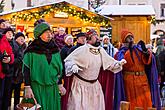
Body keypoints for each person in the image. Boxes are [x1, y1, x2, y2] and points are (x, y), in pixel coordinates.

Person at [64, 29, 126, 110]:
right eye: (95, 36)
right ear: (89, 38)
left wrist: (118, 63)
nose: (98, 38)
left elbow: (109, 63)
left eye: (98, 36)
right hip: (80, 87)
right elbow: (68, 61)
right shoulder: (82, 49)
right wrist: (73, 66)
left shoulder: (101, 51)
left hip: (95, 86)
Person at [114, 29, 161, 110]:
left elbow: (147, 61)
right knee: (132, 103)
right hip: (129, 82)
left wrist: (146, 53)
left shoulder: (139, 49)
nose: (131, 39)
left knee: (146, 101)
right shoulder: (121, 53)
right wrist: (128, 51)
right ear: (124, 39)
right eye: (128, 37)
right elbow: (121, 63)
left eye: (131, 37)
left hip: (143, 80)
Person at [22, 22, 66, 110]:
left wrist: (60, 84)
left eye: (50, 32)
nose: (49, 34)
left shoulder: (55, 49)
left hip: (52, 88)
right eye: (46, 32)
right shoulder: (31, 50)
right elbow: (26, 70)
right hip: (36, 88)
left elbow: (59, 68)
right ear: (39, 34)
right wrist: (27, 87)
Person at [9, 32, 26, 110]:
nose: (22, 39)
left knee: (17, 92)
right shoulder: (13, 45)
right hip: (13, 73)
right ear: (16, 38)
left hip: (19, 74)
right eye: (20, 37)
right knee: (9, 91)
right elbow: (13, 59)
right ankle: (8, 106)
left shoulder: (24, 47)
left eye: (23, 38)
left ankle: (16, 106)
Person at [99, 35, 115, 110]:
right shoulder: (99, 49)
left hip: (109, 70)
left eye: (107, 39)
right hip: (101, 70)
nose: (106, 41)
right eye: (104, 39)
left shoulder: (113, 49)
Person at [0, 29, 14, 110]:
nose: (10, 34)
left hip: (4, 73)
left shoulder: (7, 42)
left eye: (11, 33)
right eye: (8, 32)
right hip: (3, 72)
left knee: (3, 95)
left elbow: (11, 53)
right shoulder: (2, 40)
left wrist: (10, 59)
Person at [60, 34, 73, 110]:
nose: (70, 41)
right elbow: (61, 61)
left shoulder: (74, 48)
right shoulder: (63, 49)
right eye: (69, 40)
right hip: (66, 71)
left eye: (71, 40)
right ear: (66, 41)